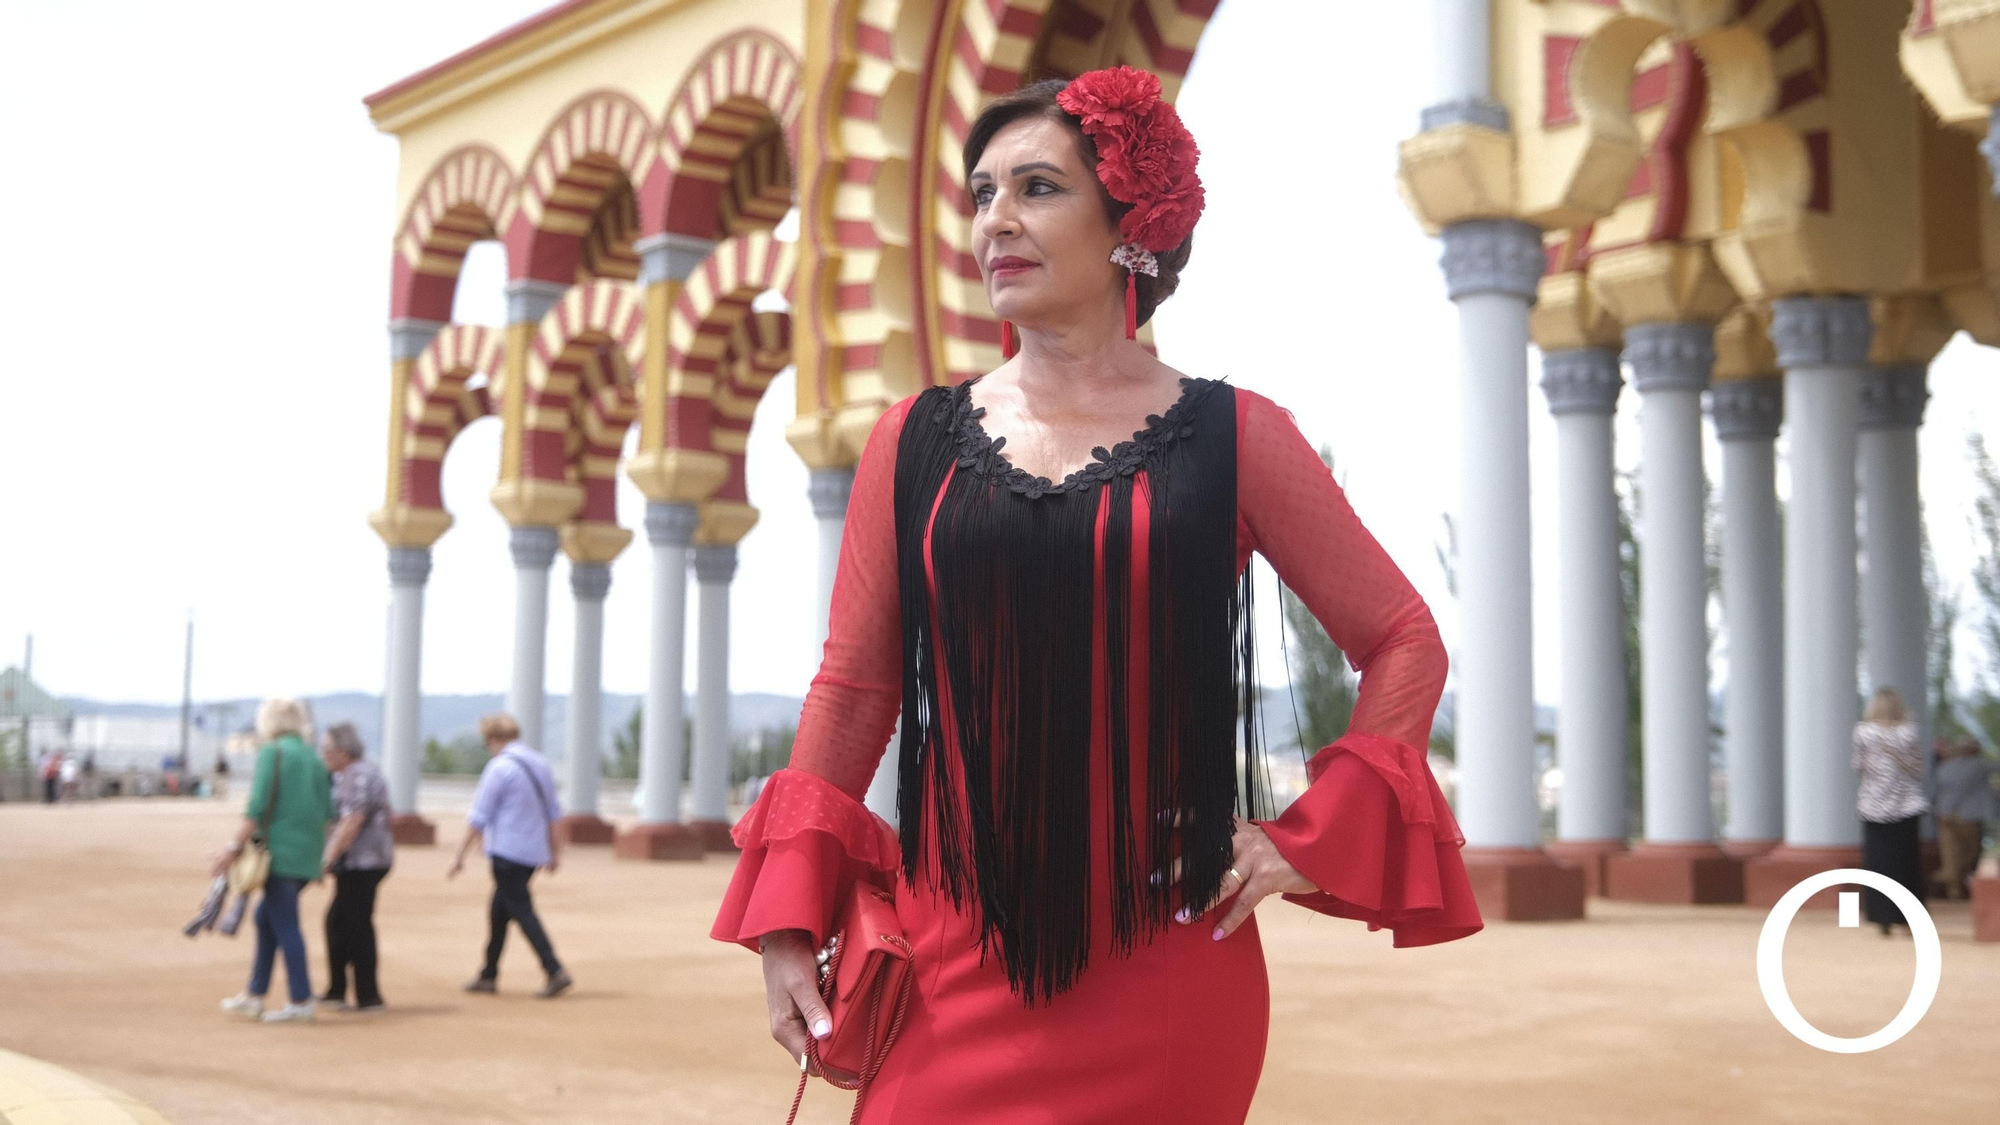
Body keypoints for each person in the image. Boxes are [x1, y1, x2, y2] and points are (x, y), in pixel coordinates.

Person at [711, 69, 1481, 1123]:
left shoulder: (1235, 435)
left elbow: (1401, 638)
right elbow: (853, 688)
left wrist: (1299, 839)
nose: (994, 223)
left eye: (1036, 188)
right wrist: (788, 922)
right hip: (951, 962)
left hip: (1165, 967)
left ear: (1132, 222)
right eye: (980, 194)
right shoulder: (914, 441)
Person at [213, 698, 334, 1022]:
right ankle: (255, 993)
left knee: (285, 925)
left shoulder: (273, 752)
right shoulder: (314, 759)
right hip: (307, 857)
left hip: (277, 856)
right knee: (266, 918)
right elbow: (328, 815)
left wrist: (232, 847)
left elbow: (257, 806)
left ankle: (300, 999)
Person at [449, 713, 571, 998]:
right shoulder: (540, 763)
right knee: (499, 911)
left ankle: (554, 969)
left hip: (506, 851)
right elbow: (554, 812)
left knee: (521, 909)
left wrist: (459, 854)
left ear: (492, 739)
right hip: (532, 852)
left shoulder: (499, 768)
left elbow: (479, 815)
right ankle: (488, 973)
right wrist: (555, 852)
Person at [319, 722, 394, 1012]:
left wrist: (328, 857)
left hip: (363, 863)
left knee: (356, 924)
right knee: (339, 921)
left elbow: (352, 821)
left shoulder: (355, 775)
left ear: (342, 751)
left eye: (326, 749)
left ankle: (368, 996)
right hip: (363, 861)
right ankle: (337, 989)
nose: (323, 754)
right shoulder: (353, 773)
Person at [1853, 686, 1929, 935]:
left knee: (1877, 865)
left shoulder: (1863, 732)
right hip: (1906, 806)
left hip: (1873, 806)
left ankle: (1881, 917)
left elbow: (1858, 765)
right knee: (1906, 864)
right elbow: (1918, 769)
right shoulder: (1909, 732)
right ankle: (1909, 920)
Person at [1931, 735, 1995, 901]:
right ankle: (1948, 877)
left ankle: (1953, 887)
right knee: (1971, 852)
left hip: (1944, 815)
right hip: (1967, 817)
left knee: (1950, 853)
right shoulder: (1979, 766)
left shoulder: (1945, 767)